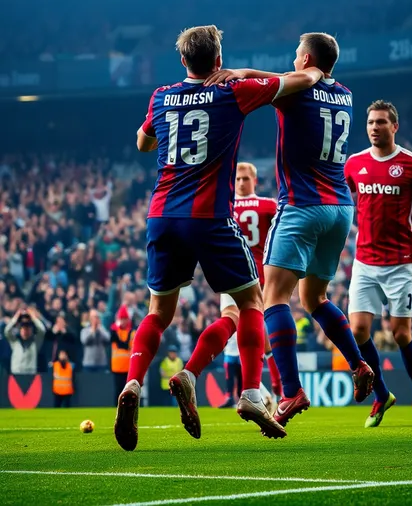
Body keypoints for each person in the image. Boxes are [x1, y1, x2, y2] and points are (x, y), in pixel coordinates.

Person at [114, 24, 323, 451]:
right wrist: (316, 73)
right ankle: (249, 392)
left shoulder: (161, 96)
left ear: (182, 61)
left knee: (158, 312)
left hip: (162, 216)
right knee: (251, 303)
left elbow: (141, 143)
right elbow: (298, 81)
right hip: (209, 216)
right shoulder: (234, 92)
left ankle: (133, 383)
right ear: (218, 59)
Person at [206, 32, 374, 429]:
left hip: (302, 204)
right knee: (314, 297)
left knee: (273, 297)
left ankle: (291, 391)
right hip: (340, 209)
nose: (294, 61)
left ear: (308, 58)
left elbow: (275, 84)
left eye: (297, 56)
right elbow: (289, 80)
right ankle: (359, 363)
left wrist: (237, 73)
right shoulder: (346, 94)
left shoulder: (299, 89)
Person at [345, 100, 412, 428]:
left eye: (380, 122)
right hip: (364, 260)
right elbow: (346, 201)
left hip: (402, 262)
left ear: (394, 126)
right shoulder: (354, 164)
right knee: (359, 330)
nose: (374, 127)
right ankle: (382, 395)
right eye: (370, 123)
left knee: (400, 333)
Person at [218, 162, 281, 406]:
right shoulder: (268, 205)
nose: (242, 183)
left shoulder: (228, 206)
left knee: (251, 334)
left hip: (257, 278)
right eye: (238, 179)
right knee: (246, 335)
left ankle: (272, 390)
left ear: (255, 180)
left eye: (246, 178)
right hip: (232, 276)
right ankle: (265, 391)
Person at [4, 306, 46, 375]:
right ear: (20, 330)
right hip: (16, 374)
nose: (25, 331)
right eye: (23, 329)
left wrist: (33, 316)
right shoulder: (15, 342)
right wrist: (16, 317)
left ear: (31, 331)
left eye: (28, 329)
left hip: (30, 375)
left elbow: (42, 330)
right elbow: (7, 331)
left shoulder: (35, 343)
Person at [110, 307, 136, 404]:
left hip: (128, 367)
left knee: (128, 391)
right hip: (117, 367)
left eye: (124, 319)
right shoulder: (114, 332)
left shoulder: (132, 332)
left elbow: (126, 345)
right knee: (118, 391)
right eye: (121, 319)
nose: (123, 321)